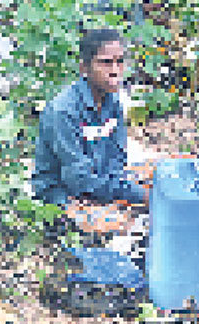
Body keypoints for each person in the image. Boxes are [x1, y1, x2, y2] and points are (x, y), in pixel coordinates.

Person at [33, 28, 146, 215]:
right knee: (108, 224)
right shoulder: (63, 111)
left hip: (98, 185)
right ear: (84, 68)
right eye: (106, 63)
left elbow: (117, 158)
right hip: (61, 193)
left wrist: (125, 190)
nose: (115, 71)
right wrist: (137, 195)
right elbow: (78, 179)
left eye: (120, 62)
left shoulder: (113, 101)